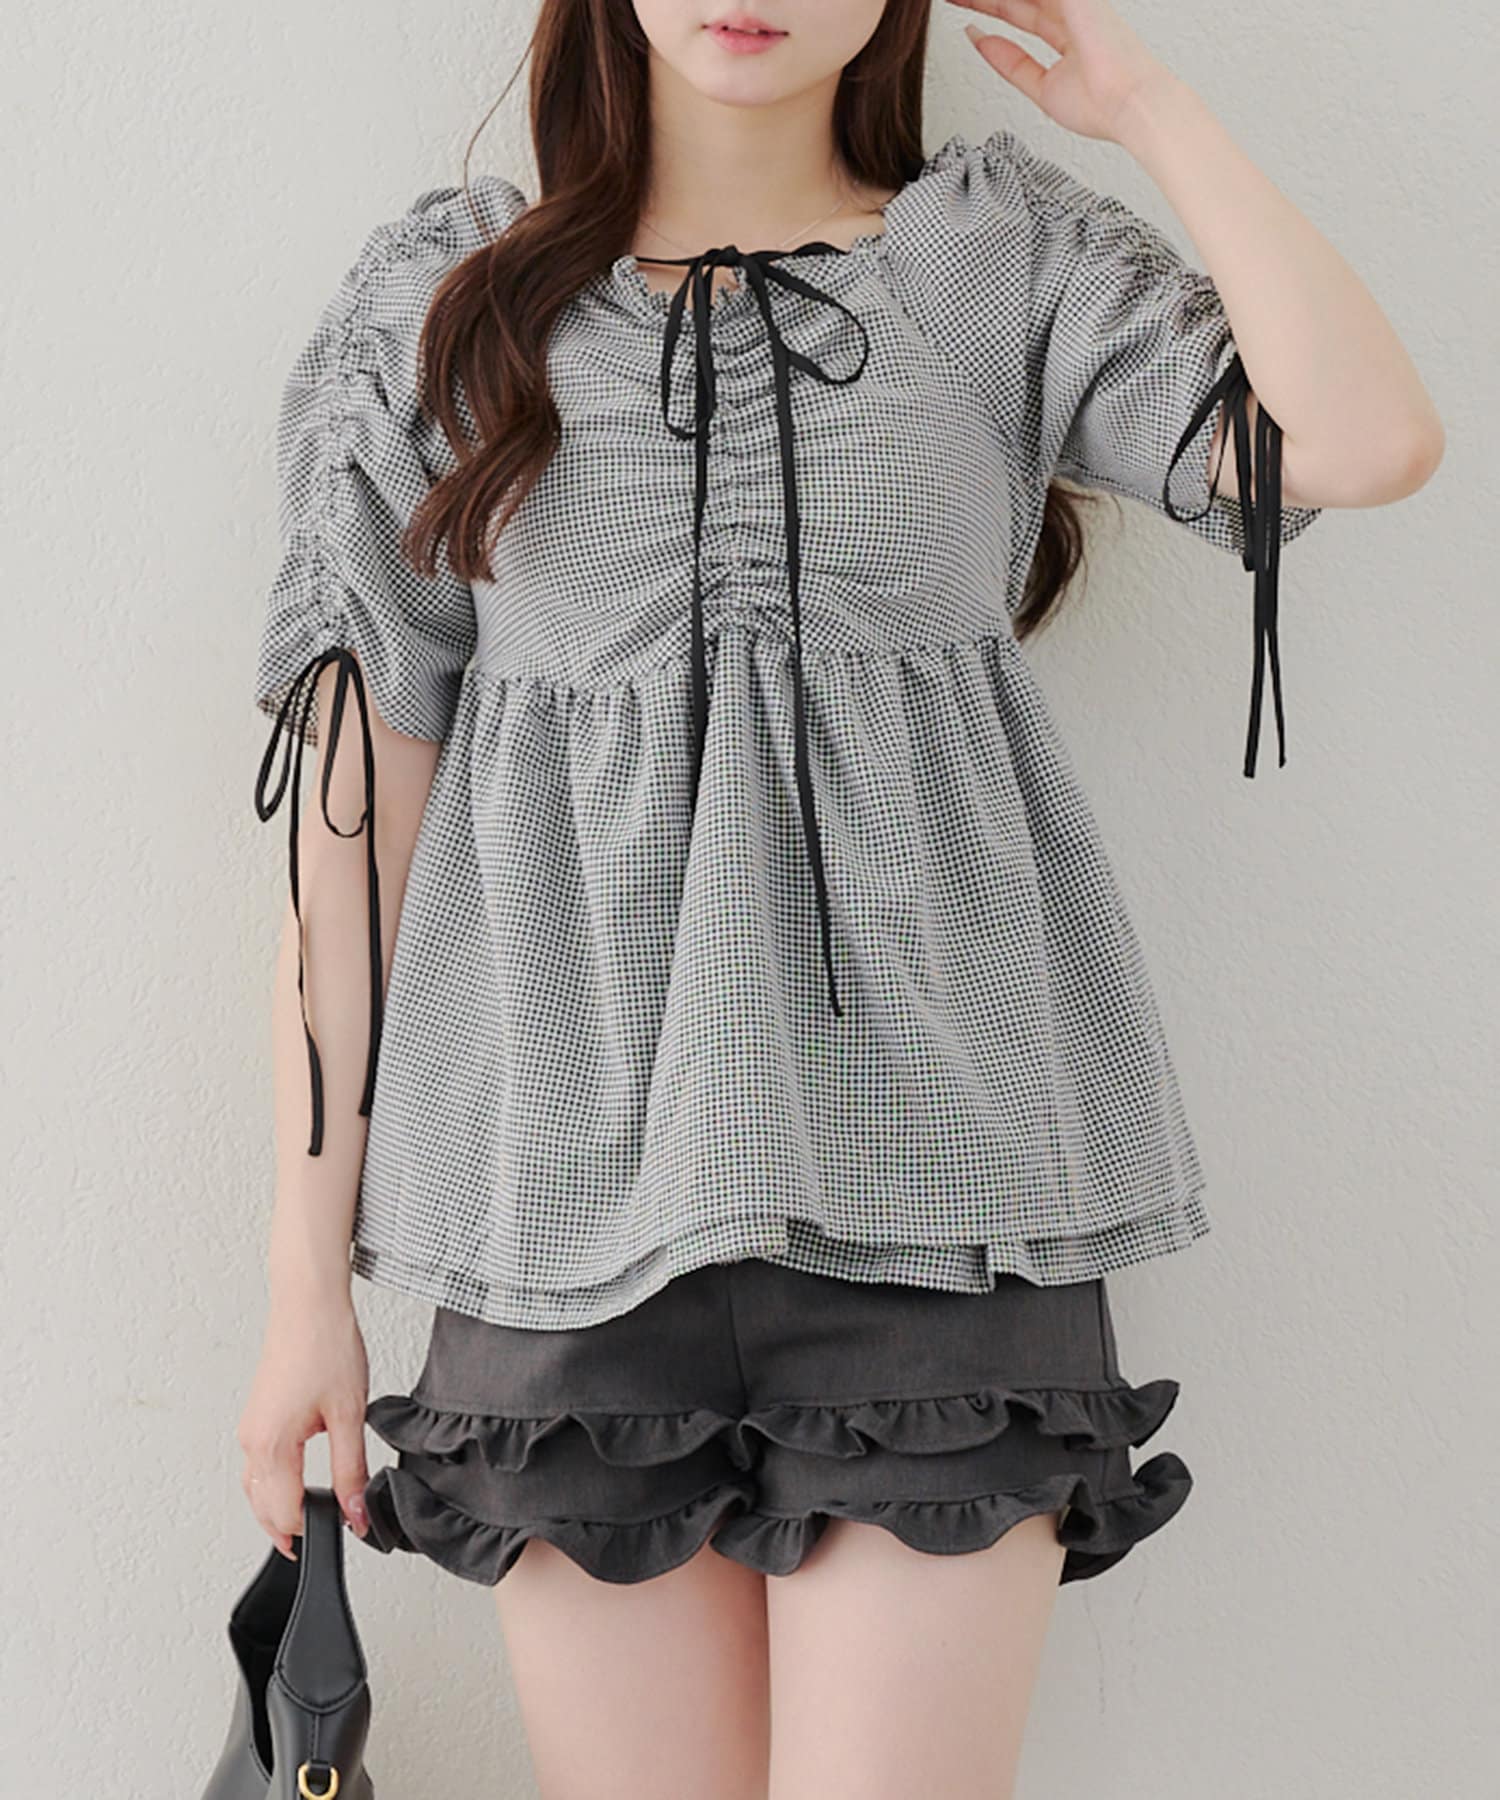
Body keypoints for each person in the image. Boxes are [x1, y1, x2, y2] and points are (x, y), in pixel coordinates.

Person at [236, 1, 1442, 1793]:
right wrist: (301, 1284)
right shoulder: (449, 309)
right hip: (556, 1216)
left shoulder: (996, 262)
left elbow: (1358, 440)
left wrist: (1143, 105)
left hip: (946, 1212)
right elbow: (352, 834)